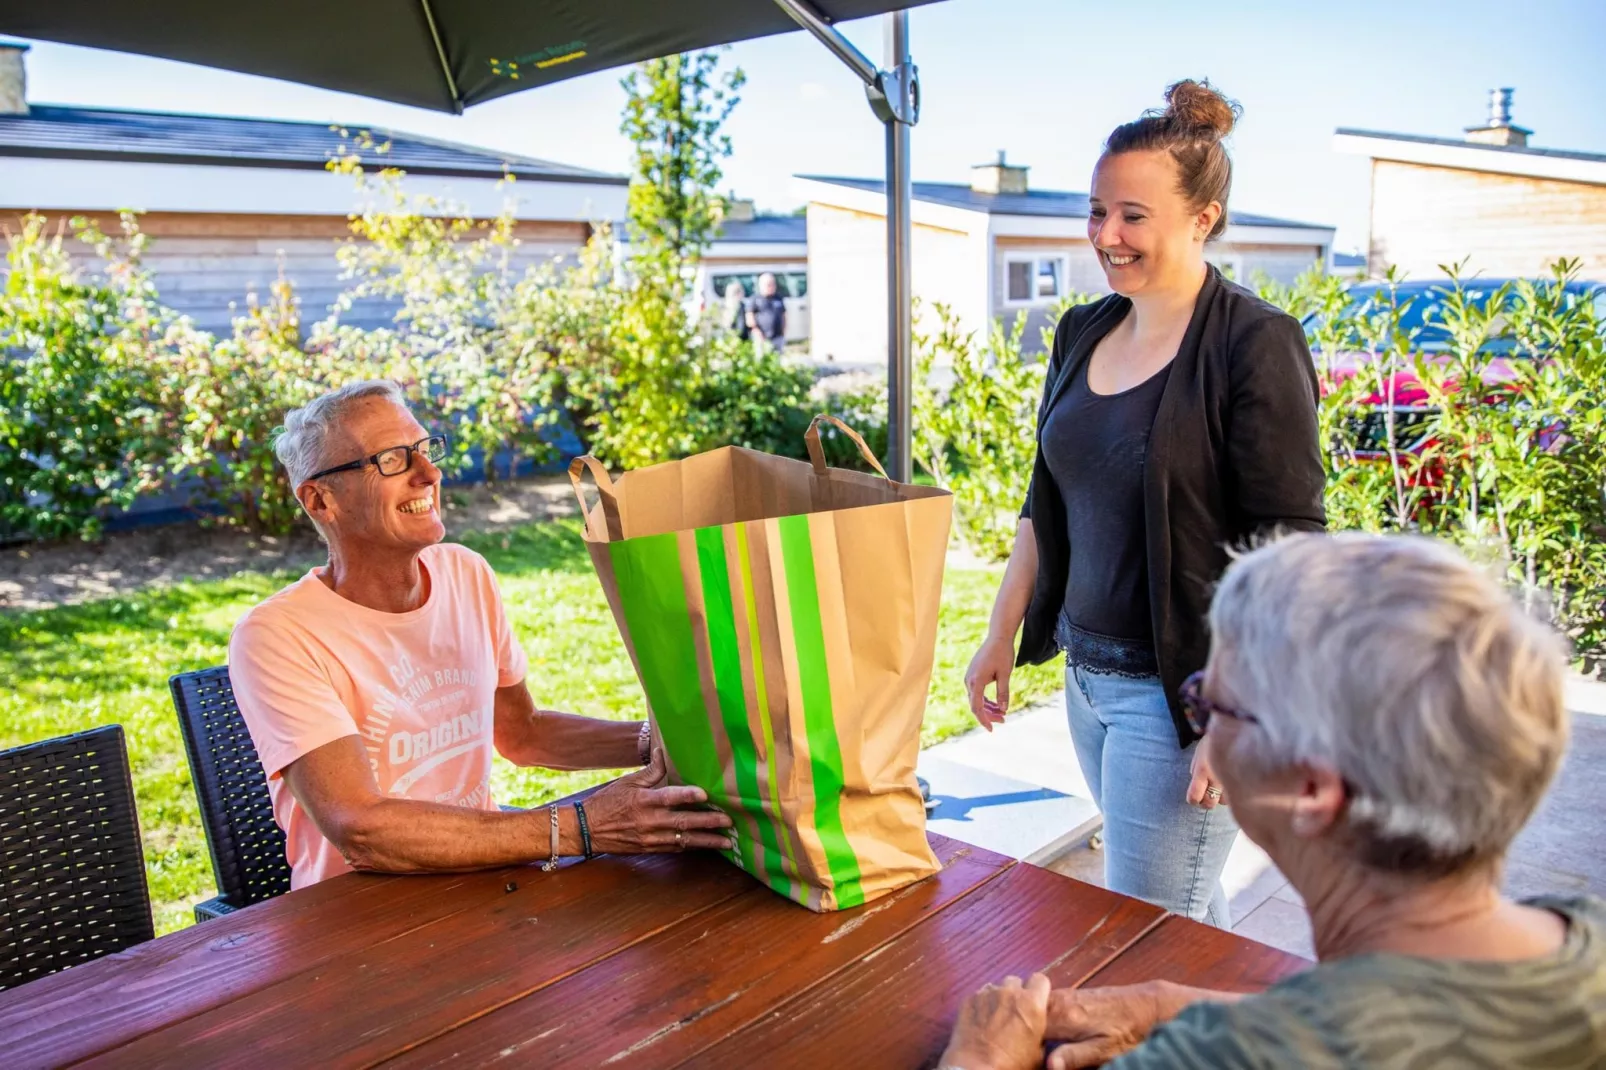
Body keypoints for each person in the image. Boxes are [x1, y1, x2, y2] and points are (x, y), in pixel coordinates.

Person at [939, 533, 1606, 1070]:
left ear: (1311, 790)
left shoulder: (1227, 1058)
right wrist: (1168, 1001)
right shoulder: (1585, 943)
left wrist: (981, 1055)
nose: (1202, 726)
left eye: (1211, 704)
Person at [963, 79, 1325, 926]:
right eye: (1096, 213)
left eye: (1132, 215)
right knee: (1183, 920)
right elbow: (1044, 496)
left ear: (1203, 218)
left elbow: (1289, 542)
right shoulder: (1084, 328)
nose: (1106, 236)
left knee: (1146, 933)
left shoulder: (1253, 340)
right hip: (1088, 683)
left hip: (1183, 701)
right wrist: (999, 631)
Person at [229, 380, 734, 888]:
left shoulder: (465, 574)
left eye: (426, 450)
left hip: (480, 880)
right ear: (320, 499)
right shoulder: (277, 635)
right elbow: (360, 828)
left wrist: (663, 744)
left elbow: (522, 733)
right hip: (357, 914)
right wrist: (583, 826)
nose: (429, 474)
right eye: (391, 460)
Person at [745, 272, 787, 352]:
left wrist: (783, 331)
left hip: (777, 337)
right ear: (761, 285)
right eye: (769, 284)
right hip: (761, 337)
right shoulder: (755, 299)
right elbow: (749, 317)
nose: (772, 286)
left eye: (773, 283)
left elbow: (784, 315)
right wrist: (756, 331)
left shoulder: (778, 298)